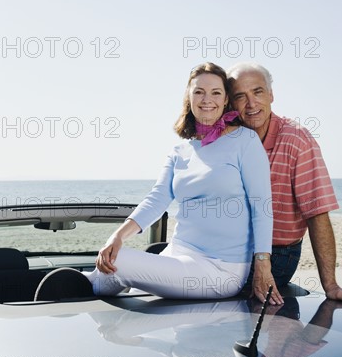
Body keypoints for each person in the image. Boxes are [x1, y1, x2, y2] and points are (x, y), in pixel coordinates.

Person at [86, 63, 282, 304]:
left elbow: (261, 207)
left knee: (119, 262)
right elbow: (157, 200)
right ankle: (83, 285)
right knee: (120, 273)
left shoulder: (245, 141)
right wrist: (117, 236)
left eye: (216, 92)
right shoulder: (180, 150)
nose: (206, 99)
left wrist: (263, 265)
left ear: (225, 101)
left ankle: (83, 287)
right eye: (199, 91)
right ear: (188, 98)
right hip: (177, 255)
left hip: (220, 270)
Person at [227, 62, 342, 312]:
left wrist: (330, 285)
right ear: (231, 103)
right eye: (240, 96)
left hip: (277, 254)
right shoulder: (228, 138)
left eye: (258, 92)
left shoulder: (297, 140)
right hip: (230, 247)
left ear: (271, 94)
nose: (251, 104)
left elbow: (317, 212)